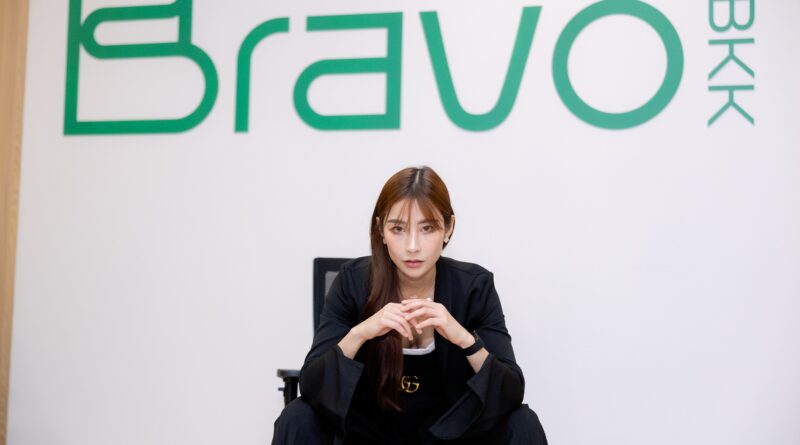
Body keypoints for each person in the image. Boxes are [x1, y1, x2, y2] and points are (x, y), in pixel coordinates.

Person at [273, 166, 547, 444]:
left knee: (522, 422)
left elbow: (511, 392)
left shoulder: (474, 287)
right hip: (368, 433)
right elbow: (312, 387)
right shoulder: (351, 282)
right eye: (398, 229)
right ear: (381, 230)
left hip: (450, 432)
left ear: (448, 228)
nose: (412, 246)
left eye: (427, 228)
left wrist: (463, 338)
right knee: (298, 416)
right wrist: (362, 332)